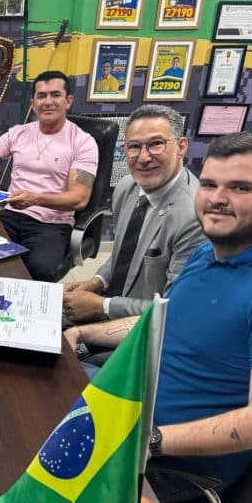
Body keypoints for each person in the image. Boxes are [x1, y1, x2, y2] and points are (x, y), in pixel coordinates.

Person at [72, 132, 252, 500]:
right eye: (210, 184)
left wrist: (149, 440)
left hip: (169, 464)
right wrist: (81, 334)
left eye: (240, 187)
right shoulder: (207, 254)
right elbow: (162, 324)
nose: (217, 199)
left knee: (8, 445)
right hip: (127, 406)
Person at [0, 70, 98, 282]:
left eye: (55, 95)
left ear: (68, 101)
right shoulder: (19, 133)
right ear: (33, 103)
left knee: (39, 270)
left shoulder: (83, 143)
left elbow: (79, 198)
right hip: (11, 215)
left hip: (51, 224)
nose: (48, 102)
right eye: (41, 96)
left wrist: (36, 199)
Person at [63, 104, 206, 334]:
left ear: (181, 147)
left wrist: (102, 306)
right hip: (111, 305)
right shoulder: (127, 187)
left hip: (144, 331)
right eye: (134, 146)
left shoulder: (194, 218)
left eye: (156, 144)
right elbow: (123, 256)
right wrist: (95, 282)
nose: (143, 157)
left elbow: (175, 311)